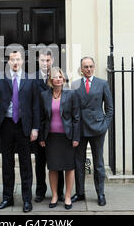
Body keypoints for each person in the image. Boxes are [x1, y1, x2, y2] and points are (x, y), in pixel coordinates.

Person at [0, 50, 40, 213]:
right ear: (8, 62)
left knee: (26, 164)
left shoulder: (30, 80)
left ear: (22, 61)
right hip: (6, 125)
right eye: (12, 60)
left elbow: (35, 106)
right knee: (7, 164)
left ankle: (27, 200)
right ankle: (7, 198)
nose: (15, 62)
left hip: (23, 126)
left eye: (18, 59)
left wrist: (35, 128)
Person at [71, 57, 113, 206]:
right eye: (85, 67)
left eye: (90, 66)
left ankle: (100, 193)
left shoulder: (102, 84)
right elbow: (71, 107)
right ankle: (80, 193)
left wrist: (105, 125)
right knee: (78, 162)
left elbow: (109, 108)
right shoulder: (75, 84)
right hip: (80, 128)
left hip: (97, 128)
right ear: (81, 69)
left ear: (94, 67)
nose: (88, 69)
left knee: (99, 163)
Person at [39, 67, 80, 210]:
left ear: (64, 79)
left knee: (69, 167)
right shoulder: (44, 95)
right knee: (53, 167)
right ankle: (55, 195)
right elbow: (43, 118)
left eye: (61, 77)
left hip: (67, 137)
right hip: (51, 137)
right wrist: (42, 137)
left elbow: (76, 118)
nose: (58, 79)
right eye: (56, 77)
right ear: (51, 80)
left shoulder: (71, 95)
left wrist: (76, 137)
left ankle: (67, 196)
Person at [33, 49, 65, 203]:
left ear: (52, 61)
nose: (45, 63)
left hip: (55, 129)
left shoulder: (58, 77)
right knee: (40, 162)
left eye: (48, 60)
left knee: (58, 161)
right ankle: (40, 191)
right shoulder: (32, 79)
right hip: (40, 127)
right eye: (42, 60)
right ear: (38, 61)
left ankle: (59, 191)